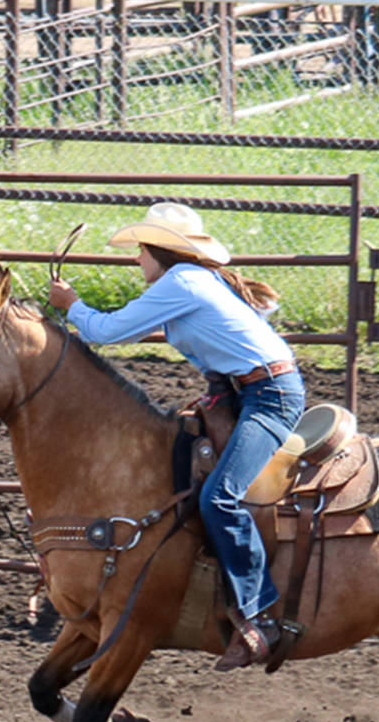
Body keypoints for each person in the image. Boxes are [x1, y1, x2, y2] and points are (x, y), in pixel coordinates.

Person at [46, 201, 306, 671]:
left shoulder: (181, 283)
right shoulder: (192, 282)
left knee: (219, 498)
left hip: (268, 397)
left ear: (159, 251)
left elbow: (108, 331)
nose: (136, 258)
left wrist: (72, 305)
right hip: (243, 392)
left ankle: (260, 614)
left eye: (142, 250)